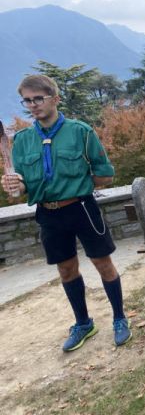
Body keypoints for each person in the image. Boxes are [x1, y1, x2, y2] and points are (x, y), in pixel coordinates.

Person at [0, 74, 131, 351]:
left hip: (82, 207)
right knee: (66, 268)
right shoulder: (22, 140)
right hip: (48, 214)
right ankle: (83, 323)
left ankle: (119, 318)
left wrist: (77, 186)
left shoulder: (81, 132)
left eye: (39, 98)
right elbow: (24, 186)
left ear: (55, 99)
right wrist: (17, 183)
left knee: (103, 264)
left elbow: (105, 175)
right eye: (27, 100)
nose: (33, 105)